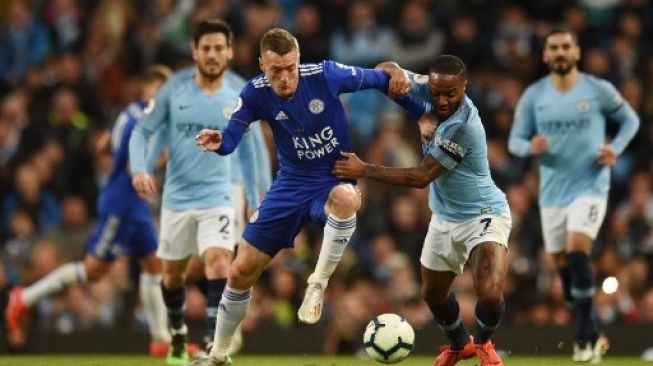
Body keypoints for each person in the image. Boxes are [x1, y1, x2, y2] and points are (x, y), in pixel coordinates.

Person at [192, 27, 412, 365]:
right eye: (275, 70)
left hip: (333, 175)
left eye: (290, 68)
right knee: (240, 271)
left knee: (348, 199)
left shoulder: (325, 74)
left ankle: (317, 283)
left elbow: (382, 79)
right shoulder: (254, 92)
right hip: (290, 184)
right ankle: (218, 355)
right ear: (262, 65)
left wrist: (408, 94)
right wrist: (220, 142)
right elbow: (233, 136)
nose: (284, 77)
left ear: (299, 61)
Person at [333, 55, 512, 366]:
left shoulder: (464, 126)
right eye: (437, 93)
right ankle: (459, 345)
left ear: (464, 87)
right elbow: (384, 69)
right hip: (444, 215)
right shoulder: (427, 86)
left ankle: (483, 344)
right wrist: (396, 78)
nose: (442, 100)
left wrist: (364, 169)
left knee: (489, 291)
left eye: (451, 94)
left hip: (483, 212)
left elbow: (420, 177)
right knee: (432, 293)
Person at [4, 65, 172, 355]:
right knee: (93, 270)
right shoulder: (145, 122)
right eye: (159, 90)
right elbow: (136, 167)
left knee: (152, 264)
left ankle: (161, 341)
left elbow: (103, 145)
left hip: (132, 203)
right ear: (146, 90)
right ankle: (23, 297)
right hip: (122, 203)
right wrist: (165, 156)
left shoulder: (128, 113)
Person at [128, 20, 260, 366]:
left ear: (229, 52)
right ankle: (177, 335)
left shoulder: (241, 95)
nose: (213, 55)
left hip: (218, 195)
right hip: (176, 199)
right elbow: (142, 131)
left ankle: (213, 347)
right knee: (172, 275)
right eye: (207, 48)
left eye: (220, 48)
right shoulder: (174, 90)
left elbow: (251, 149)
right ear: (195, 51)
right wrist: (140, 168)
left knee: (219, 262)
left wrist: (256, 198)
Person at [508, 27, 639, 364]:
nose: (561, 52)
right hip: (552, 194)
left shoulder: (597, 90)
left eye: (567, 46)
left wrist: (615, 148)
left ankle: (583, 339)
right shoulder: (534, 96)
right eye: (554, 47)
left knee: (579, 253)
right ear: (546, 55)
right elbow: (514, 141)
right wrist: (530, 145)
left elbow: (630, 121)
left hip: (591, 185)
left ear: (577, 53)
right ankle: (591, 327)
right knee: (565, 276)